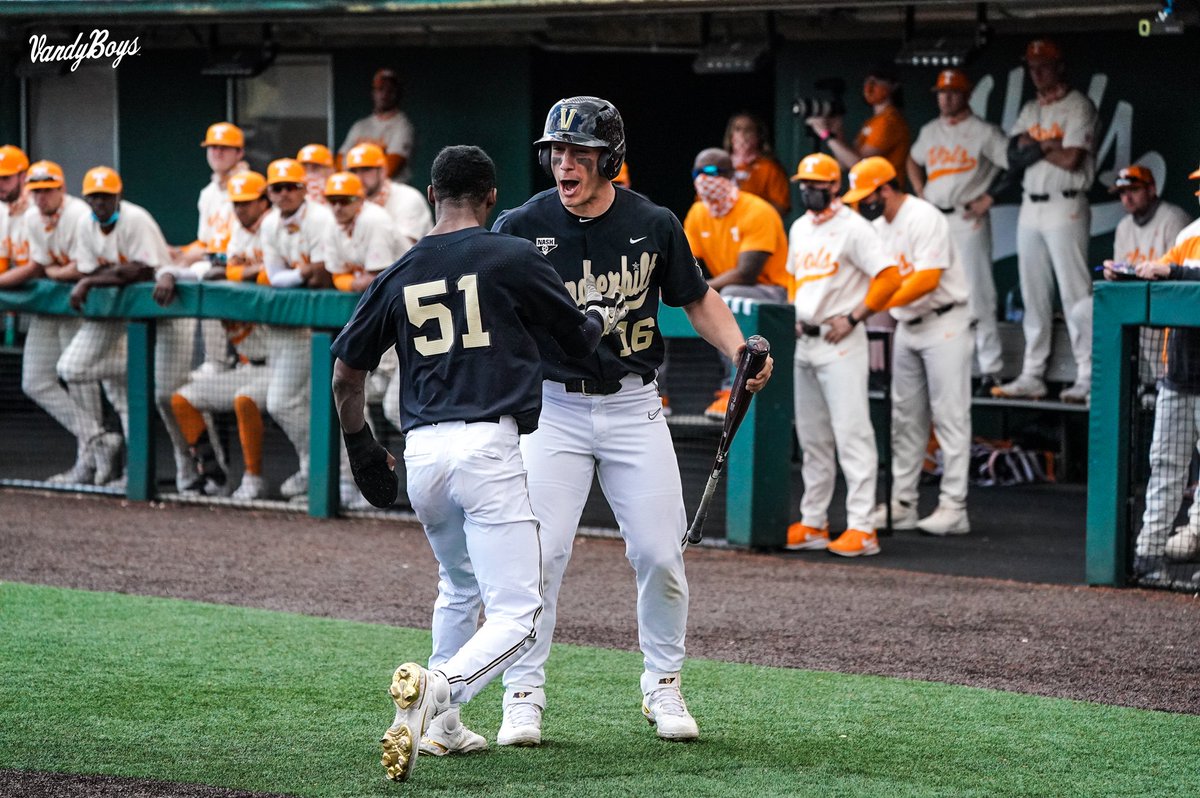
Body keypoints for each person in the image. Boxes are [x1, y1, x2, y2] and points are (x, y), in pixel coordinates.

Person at [329, 144, 627, 782]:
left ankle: (440, 730)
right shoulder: (512, 253)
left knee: (458, 585)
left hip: (423, 454)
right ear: (491, 199)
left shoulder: (401, 267)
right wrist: (598, 320)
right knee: (520, 616)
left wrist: (360, 447)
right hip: (487, 446)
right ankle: (440, 690)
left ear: (433, 195)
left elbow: (346, 373)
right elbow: (577, 340)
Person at [490, 95, 773, 747]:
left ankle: (663, 683)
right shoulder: (520, 224)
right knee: (539, 555)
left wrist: (740, 351)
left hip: (632, 405)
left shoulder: (653, 222)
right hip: (553, 409)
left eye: (579, 152)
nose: (564, 163)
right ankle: (523, 694)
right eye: (557, 151)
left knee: (658, 552)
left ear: (609, 160)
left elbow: (696, 298)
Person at [842, 157, 972, 536]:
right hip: (907, 325)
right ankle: (904, 503)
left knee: (950, 417)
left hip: (945, 320)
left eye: (869, 195)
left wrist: (875, 303)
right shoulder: (877, 226)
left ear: (886, 187)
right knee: (905, 419)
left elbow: (928, 279)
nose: (863, 203)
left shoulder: (923, 216)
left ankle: (954, 506)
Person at [786, 152, 902, 556]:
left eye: (816, 185)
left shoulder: (854, 227)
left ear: (835, 186)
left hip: (841, 340)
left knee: (852, 433)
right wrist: (792, 312)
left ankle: (862, 526)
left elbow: (889, 277)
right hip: (806, 338)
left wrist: (855, 317)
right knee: (812, 438)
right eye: (804, 184)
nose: (808, 191)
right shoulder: (800, 227)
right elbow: (792, 277)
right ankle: (814, 520)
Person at [58, 166, 197, 491]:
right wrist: (97, 277)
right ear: (87, 199)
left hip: (169, 309)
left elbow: (140, 270)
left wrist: (92, 280)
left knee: (165, 396)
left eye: (106, 196)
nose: (100, 203)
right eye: (94, 197)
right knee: (71, 368)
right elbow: (97, 270)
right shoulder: (85, 225)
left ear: (118, 196)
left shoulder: (136, 219)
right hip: (126, 315)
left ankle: (186, 473)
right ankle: (109, 443)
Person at [153, 170, 274, 500]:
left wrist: (230, 270)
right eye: (236, 205)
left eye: (247, 204)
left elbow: (270, 273)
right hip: (248, 365)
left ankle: (254, 477)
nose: (240, 210)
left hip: (281, 362)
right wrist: (168, 271)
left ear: (264, 202)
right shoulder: (233, 241)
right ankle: (214, 474)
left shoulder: (272, 234)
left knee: (245, 400)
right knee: (182, 399)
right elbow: (201, 267)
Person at [992, 39, 1098, 405]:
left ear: (1059, 66)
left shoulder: (1078, 105)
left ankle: (1087, 373)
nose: (1037, 72)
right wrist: (1049, 143)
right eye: (1032, 66)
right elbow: (1014, 154)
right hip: (1030, 206)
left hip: (1066, 204)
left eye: (1044, 65)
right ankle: (1032, 374)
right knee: (1033, 294)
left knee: (1075, 295)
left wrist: (1043, 146)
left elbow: (1071, 159)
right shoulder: (1030, 107)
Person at [907, 69, 1010, 395]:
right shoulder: (930, 130)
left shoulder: (983, 131)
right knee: (935, 293)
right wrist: (921, 193)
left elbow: (1014, 165)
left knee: (977, 293)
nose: (945, 98)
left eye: (952, 92)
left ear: (965, 95)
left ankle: (990, 370)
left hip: (967, 218)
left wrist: (990, 197)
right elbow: (911, 159)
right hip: (937, 217)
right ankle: (952, 369)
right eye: (941, 92)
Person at [0, 160, 103, 484]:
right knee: (35, 381)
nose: (42, 197)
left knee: (81, 381)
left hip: (80, 307)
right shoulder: (29, 217)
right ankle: (99, 440)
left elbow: (76, 268)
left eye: (48, 190)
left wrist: (53, 273)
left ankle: (92, 464)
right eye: (38, 191)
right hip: (49, 308)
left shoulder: (77, 215)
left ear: (61, 188)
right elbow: (39, 265)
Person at [683, 147, 789, 420]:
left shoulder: (757, 210)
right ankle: (664, 393)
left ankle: (732, 386)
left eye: (714, 173)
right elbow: (684, 264)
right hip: (731, 290)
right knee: (670, 294)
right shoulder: (697, 213)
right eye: (698, 173)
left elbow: (747, 273)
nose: (705, 180)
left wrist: (702, 288)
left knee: (726, 295)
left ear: (731, 176)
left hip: (774, 292)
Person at [1128, 187, 1200, 581]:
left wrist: (1173, 272)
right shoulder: (1189, 234)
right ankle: (1149, 554)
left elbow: (1173, 272)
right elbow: (1159, 268)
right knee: (1165, 466)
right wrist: (1126, 271)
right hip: (1181, 372)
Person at [260, 157, 338, 499]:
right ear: (270, 194)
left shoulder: (321, 217)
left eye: (292, 186)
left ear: (303, 190)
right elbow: (277, 277)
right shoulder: (269, 225)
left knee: (341, 402)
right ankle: (317, 469)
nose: (285, 193)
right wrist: (303, 274)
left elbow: (323, 274)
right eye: (278, 188)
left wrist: (308, 273)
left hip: (334, 323)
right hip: (293, 329)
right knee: (290, 401)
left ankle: (337, 475)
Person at [1103, 165, 1191, 400]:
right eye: (1122, 193)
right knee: (1088, 310)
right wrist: (1114, 273)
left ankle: (1157, 382)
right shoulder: (1124, 227)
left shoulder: (1173, 219)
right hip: (1139, 299)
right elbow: (1125, 267)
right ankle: (1112, 387)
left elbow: (1179, 270)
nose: (1127, 197)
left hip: (1171, 302)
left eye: (1133, 190)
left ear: (1152, 189)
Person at [807, 63, 911, 186]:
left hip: (883, 198)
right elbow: (844, 163)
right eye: (868, 80)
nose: (870, 86)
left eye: (878, 80)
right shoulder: (873, 122)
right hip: (863, 197)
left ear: (894, 86)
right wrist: (837, 132)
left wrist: (825, 134)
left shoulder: (889, 121)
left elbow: (858, 164)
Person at [345, 142, 433, 252]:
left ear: (383, 171)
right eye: (353, 171)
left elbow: (405, 254)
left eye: (366, 169)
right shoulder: (348, 204)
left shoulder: (408, 197)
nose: (358, 177)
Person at [338, 68, 414, 182]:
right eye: (380, 89)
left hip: (392, 193)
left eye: (390, 90)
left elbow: (390, 168)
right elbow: (340, 159)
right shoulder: (360, 126)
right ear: (373, 93)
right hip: (361, 192)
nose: (384, 94)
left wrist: (355, 181)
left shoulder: (403, 126)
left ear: (397, 93)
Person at [723, 112, 791, 216]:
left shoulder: (769, 167)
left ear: (759, 136)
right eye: (737, 129)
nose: (742, 134)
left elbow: (782, 206)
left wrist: (753, 211)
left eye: (748, 130)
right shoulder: (720, 166)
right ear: (731, 136)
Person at [0, 144, 31, 274]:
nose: (0, 184)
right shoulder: (2, 208)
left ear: (23, 177)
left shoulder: (40, 208)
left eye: (6, 178)